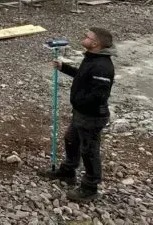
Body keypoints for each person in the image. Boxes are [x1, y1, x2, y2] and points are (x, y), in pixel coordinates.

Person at [40, 27, 115, 201]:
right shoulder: (92, 58)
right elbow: (82, 76)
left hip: (92, 116)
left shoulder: (102, 66)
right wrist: (64, 68)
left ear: (96, 43)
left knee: (89, 150)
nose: (83, 37)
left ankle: (90, 187)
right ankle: (68, 172)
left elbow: (99, 96)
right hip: (82, 113)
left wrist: (79, 102)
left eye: (87, 36)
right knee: (71, 139)